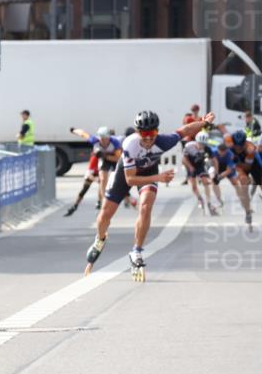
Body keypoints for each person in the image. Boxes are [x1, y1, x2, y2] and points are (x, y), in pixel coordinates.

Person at [84, 110, 215, 280]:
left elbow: (185, 130)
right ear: (138, 132)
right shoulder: (130, 145)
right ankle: (100, 239)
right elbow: (130, 180)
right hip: (126, 174)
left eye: (152, 133)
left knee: (145, 207)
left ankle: (136, 251)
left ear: (157, 132)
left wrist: (203, 123)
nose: (148, 138)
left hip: (149, 172)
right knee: (104, 216)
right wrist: (159, 177)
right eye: (144, 133)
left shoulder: (163, 141)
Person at [64, 126, 123, 216]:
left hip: (113, 158)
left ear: (109, 138)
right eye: (101, 139)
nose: (103, 141)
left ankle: (104, 201)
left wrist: (105, 156)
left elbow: (118, 158)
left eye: (105, 139)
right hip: (102, 160)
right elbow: (83, 133)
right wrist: (74, 130)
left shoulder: (115, 143)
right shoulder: (95, 141)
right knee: (101, 180)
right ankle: (102, 201)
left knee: (113, 180)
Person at [227, 129, 261, 227]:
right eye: (236, 146)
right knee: (244, 183)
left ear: (245, 143)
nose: (238, 149)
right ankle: (248, 212)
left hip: (254, 165)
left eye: (240, 146)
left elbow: (247, 167)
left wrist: (237, 162)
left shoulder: (250, 149)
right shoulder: (229, 145)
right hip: (241, 165)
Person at [182, 132, 220, 215]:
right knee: (193, 187)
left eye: (203, 144)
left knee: (205, 181)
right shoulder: (188, 146)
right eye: (200, 143)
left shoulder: (207, 148)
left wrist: (216, 173)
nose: (201, 146)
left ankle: (209, 202)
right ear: (196, 141)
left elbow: (215, 160)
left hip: (200, 166)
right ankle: (200, 199)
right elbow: (184, 159)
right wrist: (190, 167)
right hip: (190, 164)